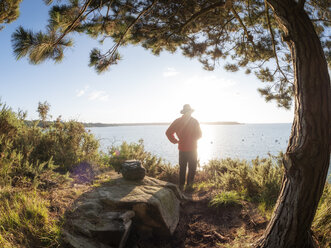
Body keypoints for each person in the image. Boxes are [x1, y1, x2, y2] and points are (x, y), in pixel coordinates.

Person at [166, 104, 202, 191]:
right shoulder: (192, 121)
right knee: (187, 167)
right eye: (187, 112)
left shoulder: (191, 121)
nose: (188, 113)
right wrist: (176, 141)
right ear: (185, 112)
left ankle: (186, 186)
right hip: (188, 148)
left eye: (189, 112)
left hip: (189, 148)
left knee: (188, 167)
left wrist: (177, 140)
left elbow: (200, 135)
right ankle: (185, 186)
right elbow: (168, 132)